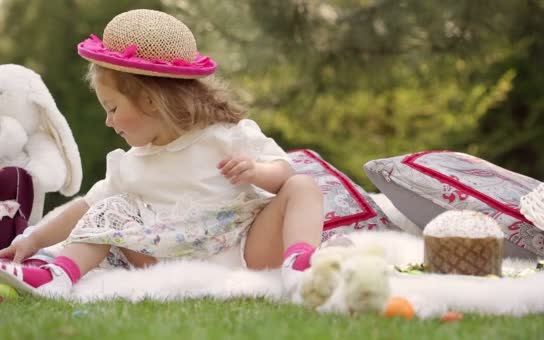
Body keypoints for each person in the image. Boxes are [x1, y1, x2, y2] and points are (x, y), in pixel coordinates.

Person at [0, 9, 323, 296]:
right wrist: (33, 240)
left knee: (303, 186)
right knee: (109, 206)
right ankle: (58, 275)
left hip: (246, 250)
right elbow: (83, 209)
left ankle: (299, 268)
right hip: (168, 258)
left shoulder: (226, 136)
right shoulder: (132, 164)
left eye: (112, 108)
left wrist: (256, 171)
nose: (108, 122)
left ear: (151, 101)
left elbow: (285, 173)